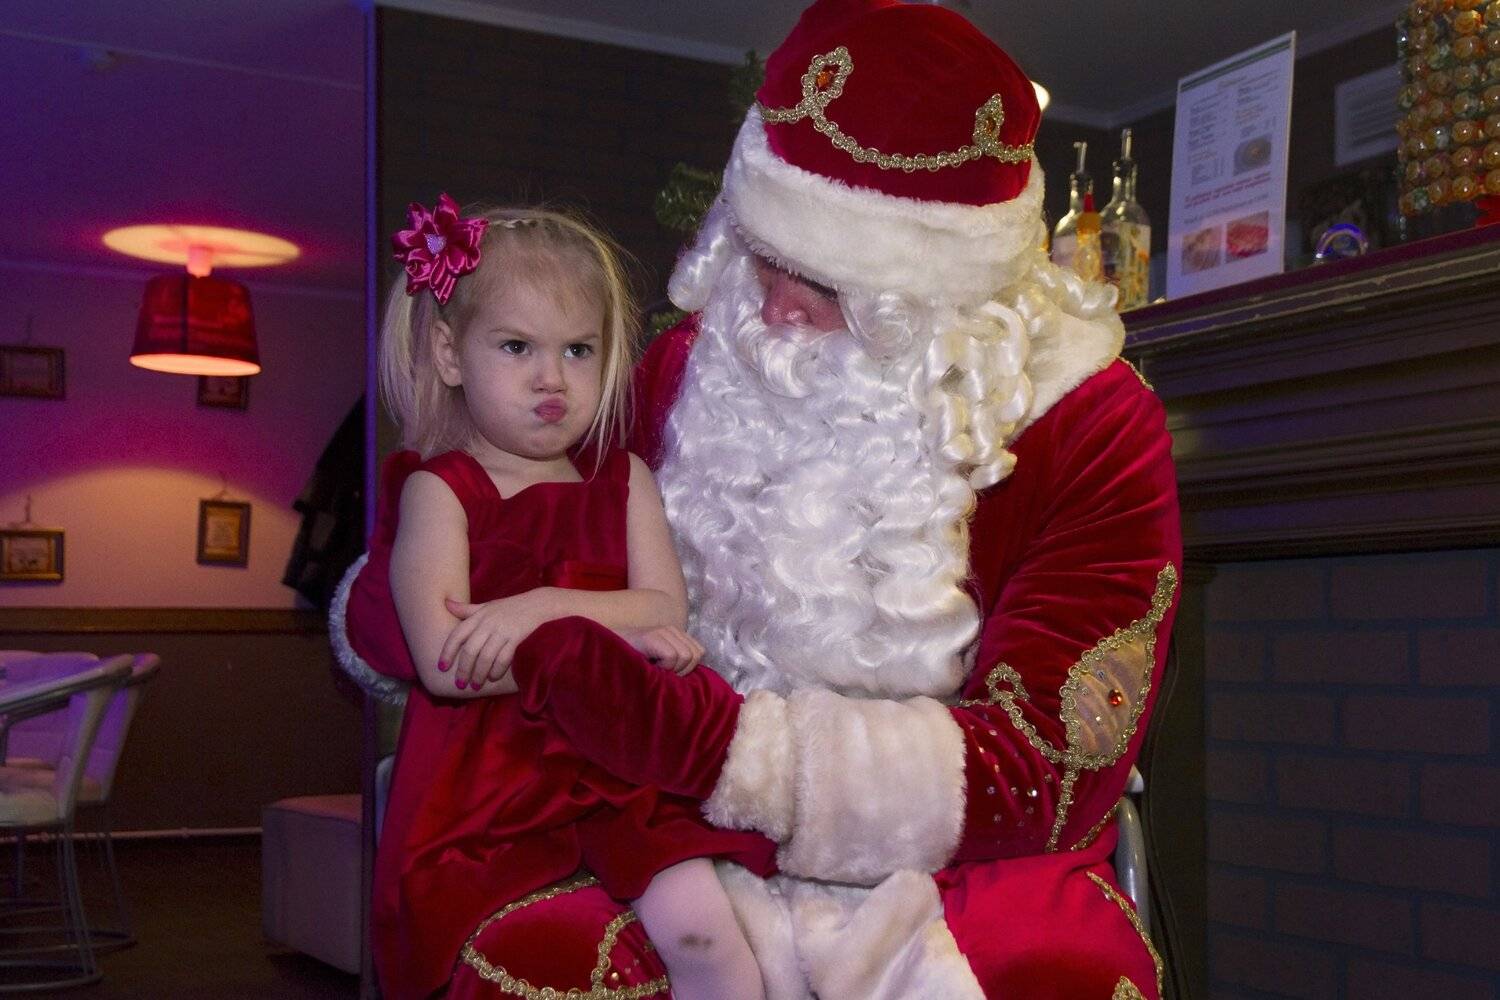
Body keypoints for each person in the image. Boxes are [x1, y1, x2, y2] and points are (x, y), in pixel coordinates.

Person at [424, 1, 1185, 998]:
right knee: (533, 958)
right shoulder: (688, 363)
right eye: (764, 256)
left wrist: (727, 753)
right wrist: (417, 589)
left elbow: (1054, 761)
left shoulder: (1086, 420)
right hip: (661, 821)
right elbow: (527, 542)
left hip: (948, 855)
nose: (776, 310)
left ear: (942, 291)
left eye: (827, 284)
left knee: (1056, 973)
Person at [338, 196, 772, 1000]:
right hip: (487, 786)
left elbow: (663, 610)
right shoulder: (440, 490)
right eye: (517, 347)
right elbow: (446, 663)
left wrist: (536, 608)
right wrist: (612, 639)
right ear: (449, 354)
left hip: (621, 767)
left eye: (578, 349)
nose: (552, 377)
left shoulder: (623, 479)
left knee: (708, 938)